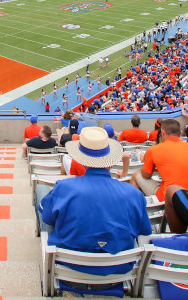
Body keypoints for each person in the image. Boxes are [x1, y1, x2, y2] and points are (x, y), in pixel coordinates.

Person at [37, 126, 152, 295]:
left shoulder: (64, 188)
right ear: (109, 160)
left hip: (69, 268)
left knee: (41, 191)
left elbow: (47, 219)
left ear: (82, 159)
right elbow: (144, 231)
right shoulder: (134, 194)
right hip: (118, 271)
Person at [131, 118, 188, 203]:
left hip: (171, 199)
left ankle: (135, 210)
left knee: (136, 175)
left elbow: (145, 175)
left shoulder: (154, 150)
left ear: (162, 132)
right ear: (181, 134)